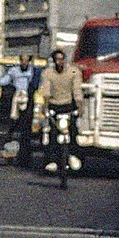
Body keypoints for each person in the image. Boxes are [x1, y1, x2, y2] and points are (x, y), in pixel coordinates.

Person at [37, 47, 86, 175]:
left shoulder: (73, 72)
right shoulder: (48, 73)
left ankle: (74, 156)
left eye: (61, 59)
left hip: (68, 106)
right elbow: (46, 91)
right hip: (54, 106)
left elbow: (77, 90)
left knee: (73, 131)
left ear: (64, 60)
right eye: (56, 60)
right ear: (53, 61)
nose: (59, 62)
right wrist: (46, 107)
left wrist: (80, 106)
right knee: (52, 133)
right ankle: (51, 161)